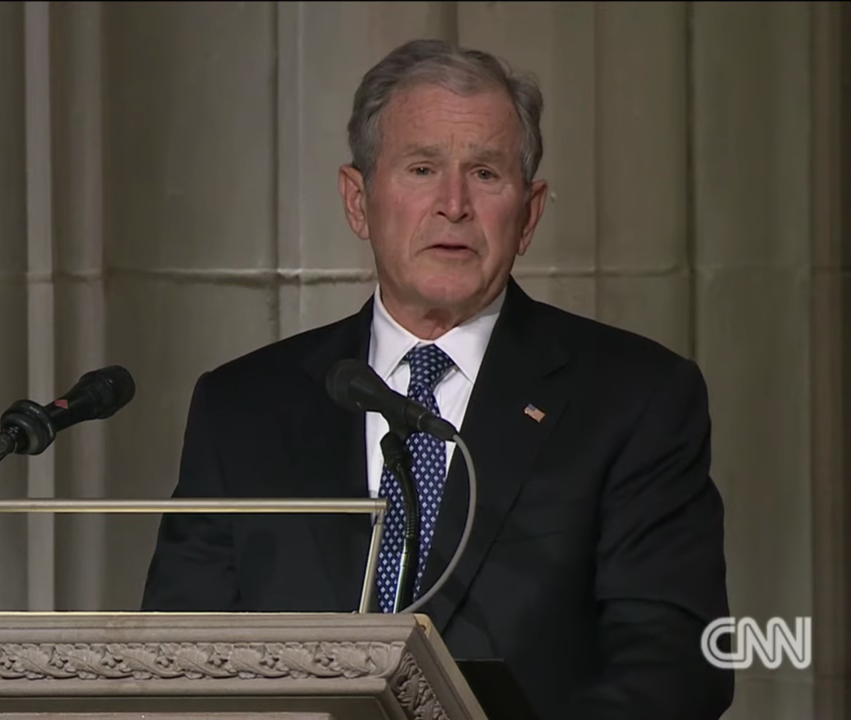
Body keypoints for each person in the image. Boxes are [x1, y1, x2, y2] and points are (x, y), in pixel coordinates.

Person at [140, 38, 733, 720]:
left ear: (530, 213)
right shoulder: (241, 407)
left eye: (485, 174)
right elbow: (176, 662)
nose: (453, 204)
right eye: (422, 168)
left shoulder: (637, 399)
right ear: (358, 201)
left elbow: (676, 668)